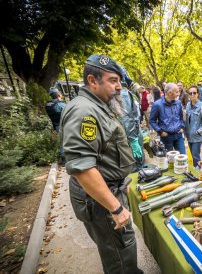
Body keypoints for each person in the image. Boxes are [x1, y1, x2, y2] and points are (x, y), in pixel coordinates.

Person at [60, 54, 142, 273]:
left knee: (116, 248)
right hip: (102, 202)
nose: (118, 87)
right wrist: (115, 208)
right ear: (92, 81)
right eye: (113, 80)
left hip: (107, 192)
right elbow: (82, 167)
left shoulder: (98, 104)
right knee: (121, 255)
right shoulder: (84, 111)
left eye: (119, 81)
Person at [150, 83, 186, 154]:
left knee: (182, 158)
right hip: (166, 137)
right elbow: (152, 121)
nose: (178, 94)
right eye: (177, 92)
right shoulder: (157, 105)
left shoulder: (178, 103)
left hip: (178, 135)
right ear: (170, 93)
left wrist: (182, 127)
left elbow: (181, 117)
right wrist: (160, 131)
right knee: (169, 160)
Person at [185, 85, 202, 167]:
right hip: (189, 136)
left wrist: (198, 131)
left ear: (198, 94)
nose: (192, 95)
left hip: (197, 137)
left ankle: (197, 174)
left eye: (194, 93)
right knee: (191, 156)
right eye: (190, 93)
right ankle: (192, 172)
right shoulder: (188, 105)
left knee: (196, 157)